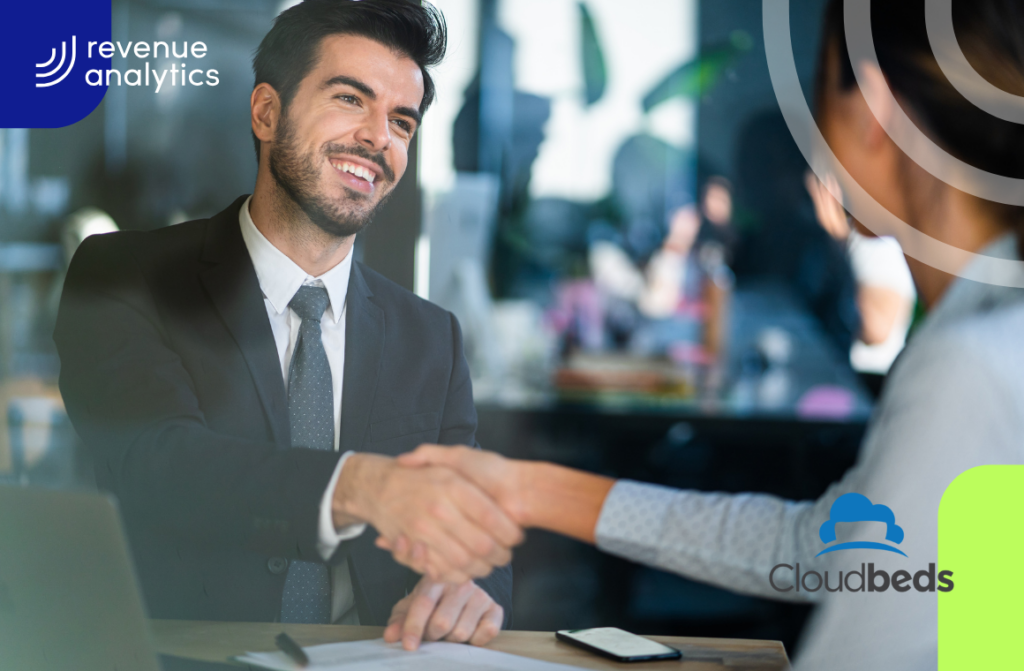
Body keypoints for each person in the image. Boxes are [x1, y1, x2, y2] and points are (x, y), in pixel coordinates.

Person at [384, 0, 1024, 668]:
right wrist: (528, 488)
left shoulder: (970, 367)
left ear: (871, 113)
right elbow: (833, 547)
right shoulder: (989, 332)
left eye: (818, 91)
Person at [54, 0, 518, 651]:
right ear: (266, 112)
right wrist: (356, 485)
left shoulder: (430, 338)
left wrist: (471, 585)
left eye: (402, 121)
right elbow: (158, 462)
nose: (378, 137)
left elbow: (477, 535)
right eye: (351, 99)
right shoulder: (123, 278)